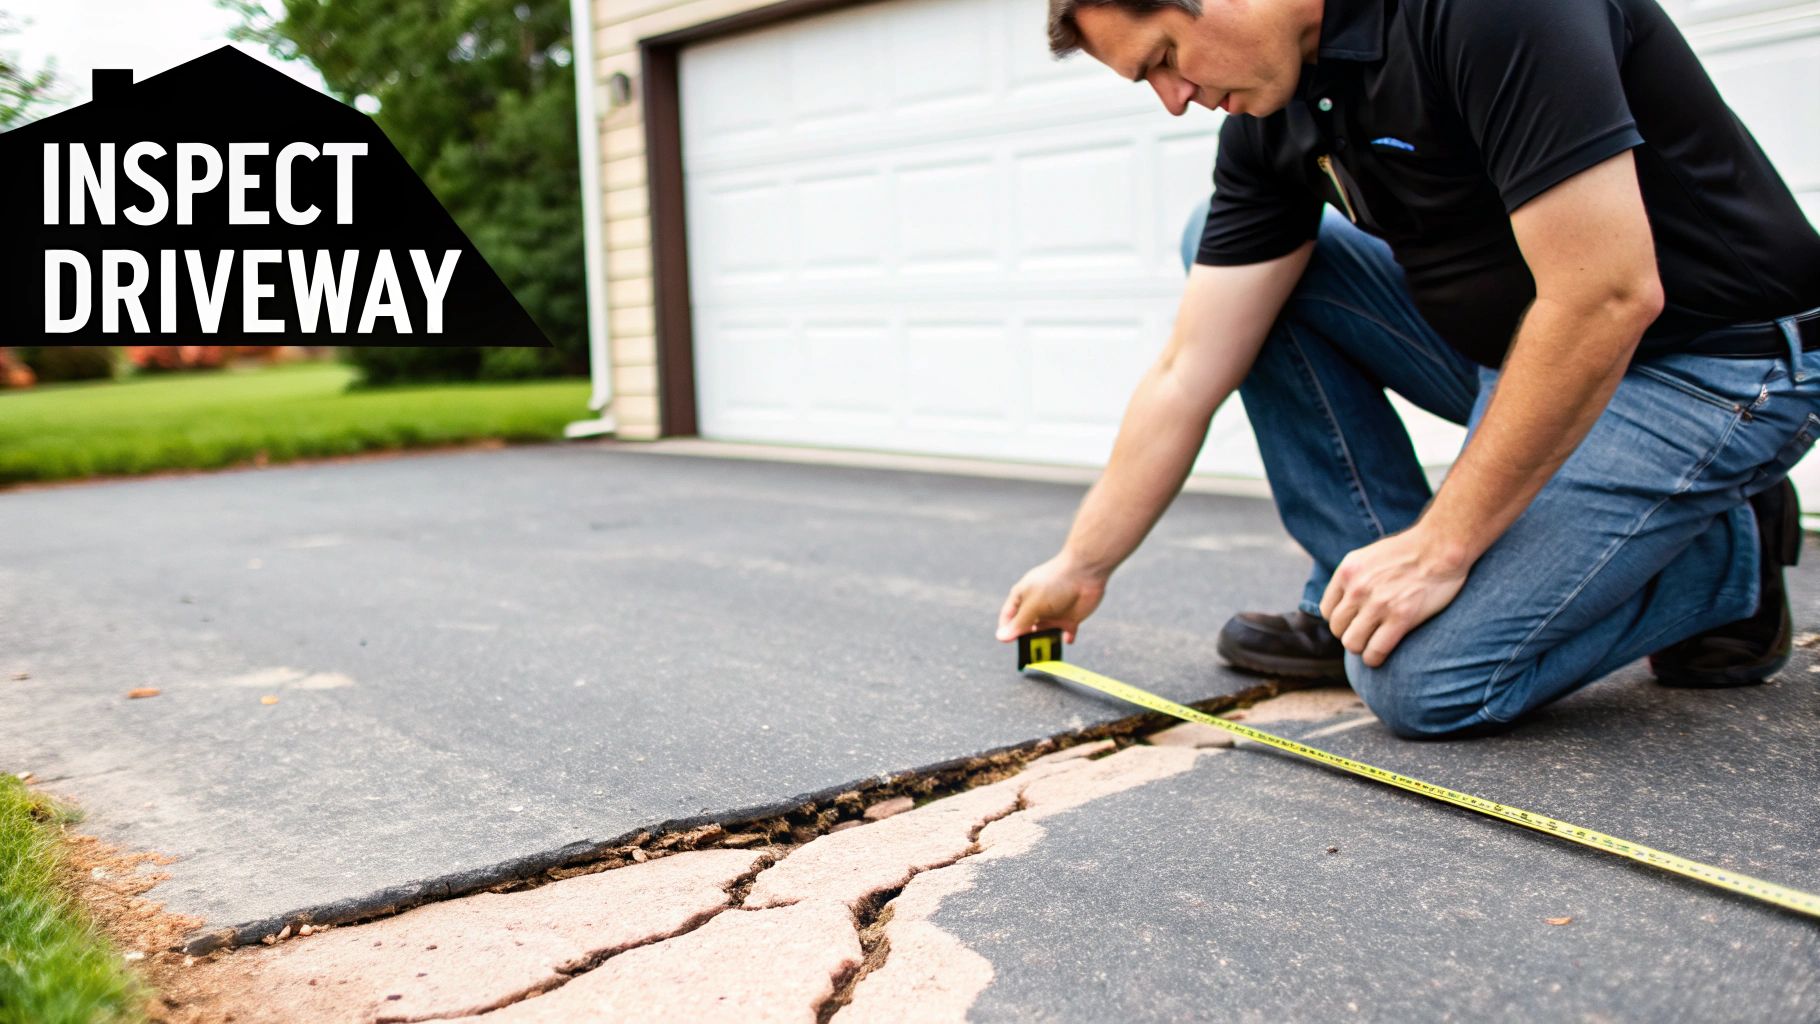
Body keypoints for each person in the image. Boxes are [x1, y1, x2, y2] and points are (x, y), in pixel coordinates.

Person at [995, 0, 1820, 738]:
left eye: (1165, 57)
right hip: (1530, 350)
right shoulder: (1273, 113)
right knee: (1230, 248)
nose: (1173, 97)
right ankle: (1363, 592)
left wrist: (1443, 548)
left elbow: (1605, 296)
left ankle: (1723, 555)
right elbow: (1188, 369)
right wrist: (1083, 563)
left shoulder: (1489, 14)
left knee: (1424, 682)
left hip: (1711, 365)